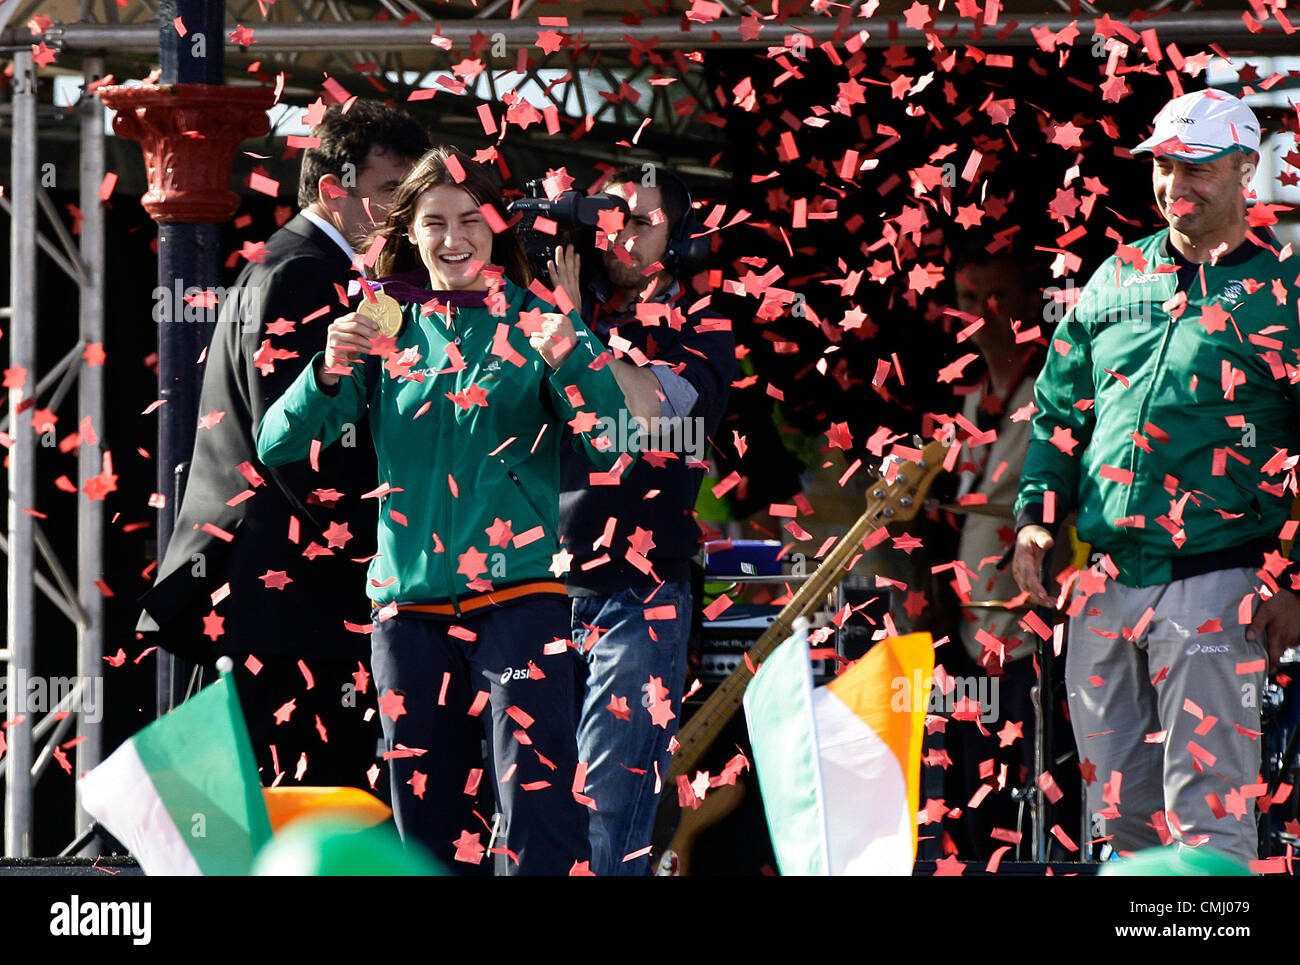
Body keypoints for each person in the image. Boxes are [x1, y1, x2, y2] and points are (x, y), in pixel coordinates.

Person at [256, 147, 646, 875]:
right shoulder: (379, 323)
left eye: (471, 219)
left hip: (522, 603)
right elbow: (276, 442)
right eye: (434, 222)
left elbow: (615, 442)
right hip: (409, 612)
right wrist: (327, 369)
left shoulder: (538, 321)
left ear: (497, 227)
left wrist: (575, 358)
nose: (453, 237)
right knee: (426, 831)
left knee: (540, 821)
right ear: (411, 229)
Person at [1012, 88, 1298, 863]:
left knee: (1210, 816)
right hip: (1103, 583)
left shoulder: (1287, 288)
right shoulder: (1113, 275)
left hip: (1219, 580)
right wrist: (1038, 516)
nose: (1176, 185)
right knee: (1119, 817)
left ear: (1247, 169)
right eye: (1164, 167)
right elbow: (1058, 411)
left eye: (1196, 168)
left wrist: (1295, 581)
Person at [137, 102, 428, 788]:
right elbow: (301, 452)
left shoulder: (302, 265)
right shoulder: (302, 274)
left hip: (270, 598)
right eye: (393, 189)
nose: (407, 208)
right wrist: (400, 540)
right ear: (335, 188)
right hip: (282, 601)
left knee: (262, 815)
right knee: (287, 810)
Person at [557, 165, 737, 875]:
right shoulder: (559, 305)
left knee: (608, 811)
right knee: (533, 808)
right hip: (535, 594)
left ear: (681, 238)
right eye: (610, 217)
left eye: (643, 221)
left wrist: (572, 331)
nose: (620, 234)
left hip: (639, 600)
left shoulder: (701, 324)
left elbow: (651, 416)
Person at [936, 242, 1060, 859]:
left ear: (1032, 302)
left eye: (997, 295)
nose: (980, 310)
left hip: (1031, 633)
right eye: (966, 298)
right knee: (974, 790)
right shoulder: (970, 399)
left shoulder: (1050, 390)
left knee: (1027, 795)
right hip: (969, 633)